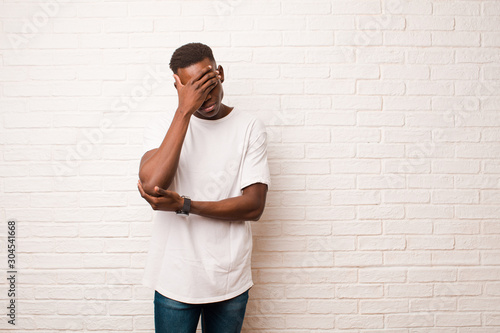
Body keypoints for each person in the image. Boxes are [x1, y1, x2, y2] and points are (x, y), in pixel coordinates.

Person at [137, 42, 271, 333]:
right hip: (175, 279)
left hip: (229, 281)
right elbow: (153, 185)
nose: (205, 97)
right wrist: (184, 111)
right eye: (194, 89)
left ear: (220, 73)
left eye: (208, 84)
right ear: (180, 88)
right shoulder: (163, 126)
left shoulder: (249, 127)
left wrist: (186, 205)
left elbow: (254, 206)